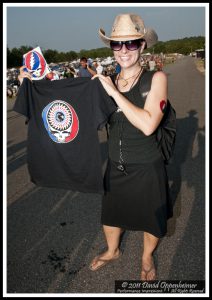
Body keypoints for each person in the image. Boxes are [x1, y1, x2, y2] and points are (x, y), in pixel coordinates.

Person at [88, 13, 173, 280]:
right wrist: (37, 83)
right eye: (117, 44)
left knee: (151, 219)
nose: (124, 51)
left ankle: (147, 257)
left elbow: (148, 125)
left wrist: (113, 92)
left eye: (131, 43)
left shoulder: (156, 79)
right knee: (111, 216)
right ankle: (113, 250)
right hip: (116, 164)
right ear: (111, 49)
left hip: (147, 166)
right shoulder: (107, 81)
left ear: (143, 45)